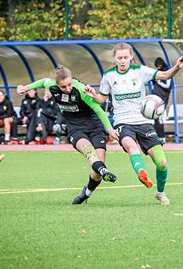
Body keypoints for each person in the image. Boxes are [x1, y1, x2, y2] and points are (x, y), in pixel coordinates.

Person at [85, 43, 183, 205]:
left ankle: (160, 193)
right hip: (122, 122)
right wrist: (93, 95)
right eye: (119, 58)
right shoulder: (109, 76)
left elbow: (165, 75)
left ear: (131, 57)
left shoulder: (140, 71)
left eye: (125, 57)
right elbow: (102, 99)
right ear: (114, 59)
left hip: (144, 121)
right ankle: (141, 172)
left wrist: (177, 67)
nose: (123, 61)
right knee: (130, 145)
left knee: (162, 163)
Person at [17, 65, 119, 204]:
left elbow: (98, 109)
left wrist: (110, 129)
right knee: (91, 155)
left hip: (94, 126)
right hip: (76, 128)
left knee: (97, 173)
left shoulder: (80, 90)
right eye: (64, 87)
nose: (68, 89)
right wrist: (26, 88)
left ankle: (86, 193)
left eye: (69, 84)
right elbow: (42, 82)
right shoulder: (51, 85)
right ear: (57, 84)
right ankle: (102, 170)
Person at [151, 57, 172, 143]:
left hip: (162, 99)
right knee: (154, 118)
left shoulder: (168, 73)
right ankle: (155, 136)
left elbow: (167, 86)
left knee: (160, 118)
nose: (158, 68)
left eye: (159, 66)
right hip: (154, 98)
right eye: (157, 66)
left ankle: (162, 137)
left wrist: (158, 81)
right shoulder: (157, 73)